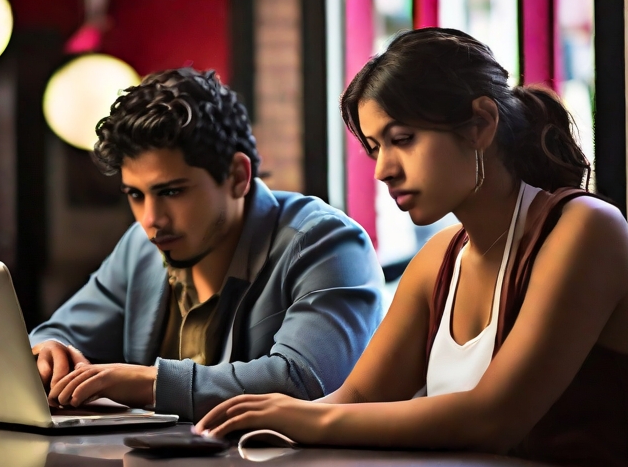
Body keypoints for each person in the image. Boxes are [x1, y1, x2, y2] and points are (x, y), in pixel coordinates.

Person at [196, 28, 628, 467]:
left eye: (403, 139)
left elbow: (493, 419)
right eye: (375, 149)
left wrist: (308, 419)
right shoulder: (439, 258)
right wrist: (268, 416)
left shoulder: (584, 229)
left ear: (480, 125)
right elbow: (357, 399)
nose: (383, 170)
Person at [29, 67, 386, 422]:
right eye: (136, 195)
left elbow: (305, 380)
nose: (151, 219)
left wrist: (149, 384)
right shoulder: (141, 246)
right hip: (155, 460)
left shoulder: (326, 242)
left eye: (172, 192)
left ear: (238, 176)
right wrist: (49, 353)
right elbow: (58, 334)